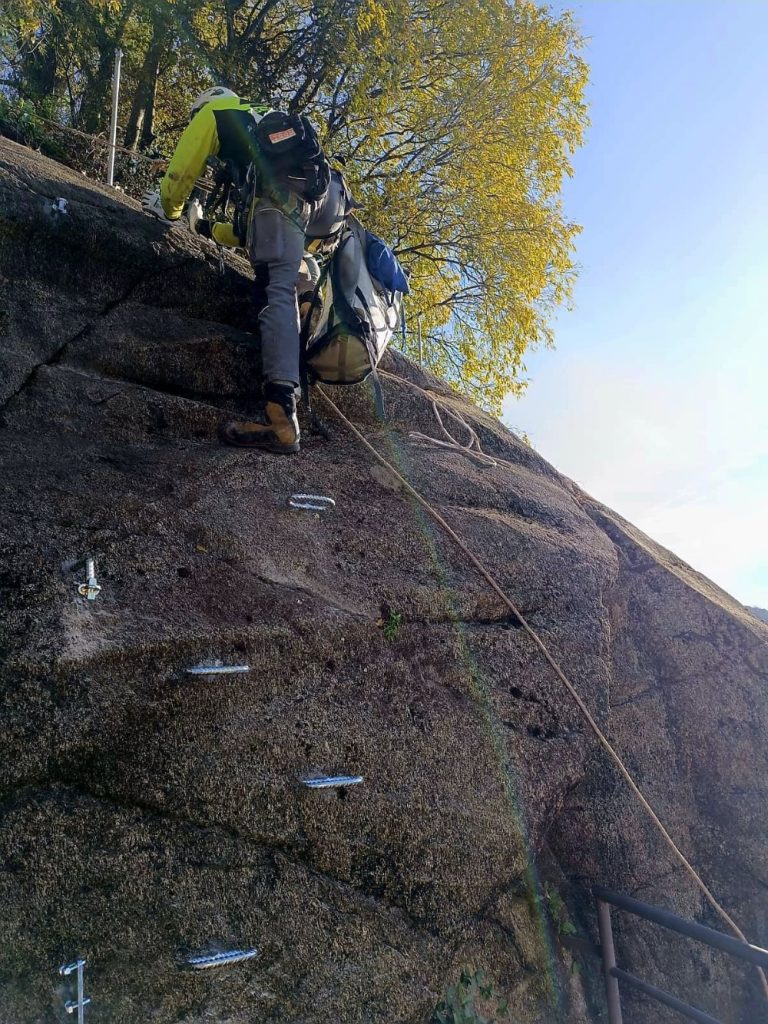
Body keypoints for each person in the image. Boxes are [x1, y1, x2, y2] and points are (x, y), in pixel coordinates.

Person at [141, 87, 352, 455]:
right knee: (288, 275)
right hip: (321, 203)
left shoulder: (217, 111)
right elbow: (249, 232)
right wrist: (205, 230)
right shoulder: (263, 129)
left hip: (283, 197)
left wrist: (170, 209)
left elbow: (182, 167)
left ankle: (281, 417)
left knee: (274, 287)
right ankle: (305, 308)